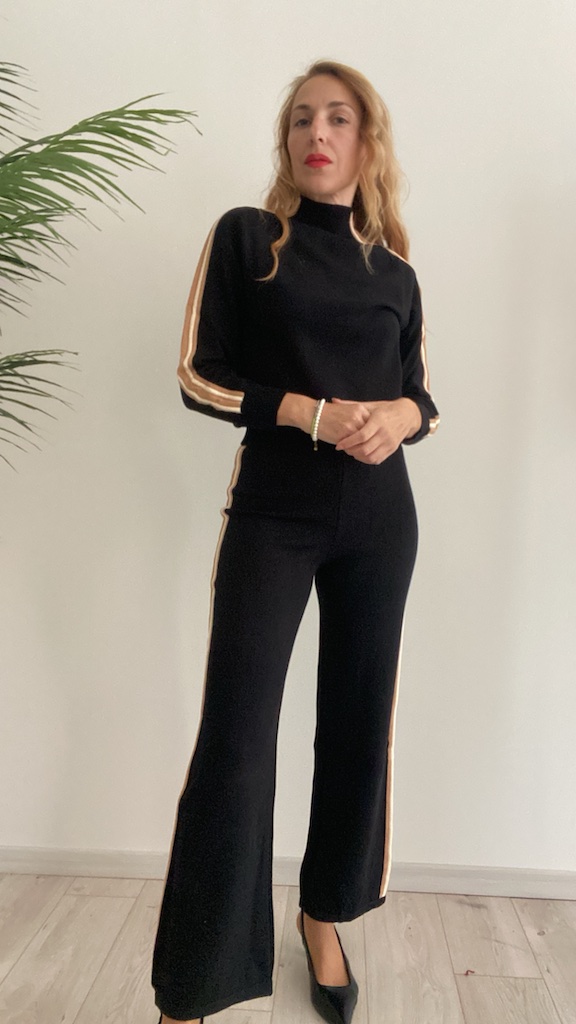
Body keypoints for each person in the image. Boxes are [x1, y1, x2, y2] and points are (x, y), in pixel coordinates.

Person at [151, 58, 440, 1024]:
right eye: (303, 118)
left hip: (380, 520)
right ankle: (193, 982)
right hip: (275, 513)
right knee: (237, 738)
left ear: (368, 141)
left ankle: (324, 916)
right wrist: (310, 413)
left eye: (339, 117)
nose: (318, 132)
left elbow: (421, 393)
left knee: (358, 725)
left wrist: (401, 413)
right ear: (287, 141)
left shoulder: (396, 272)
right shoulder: (249, 239)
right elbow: (199, 374)